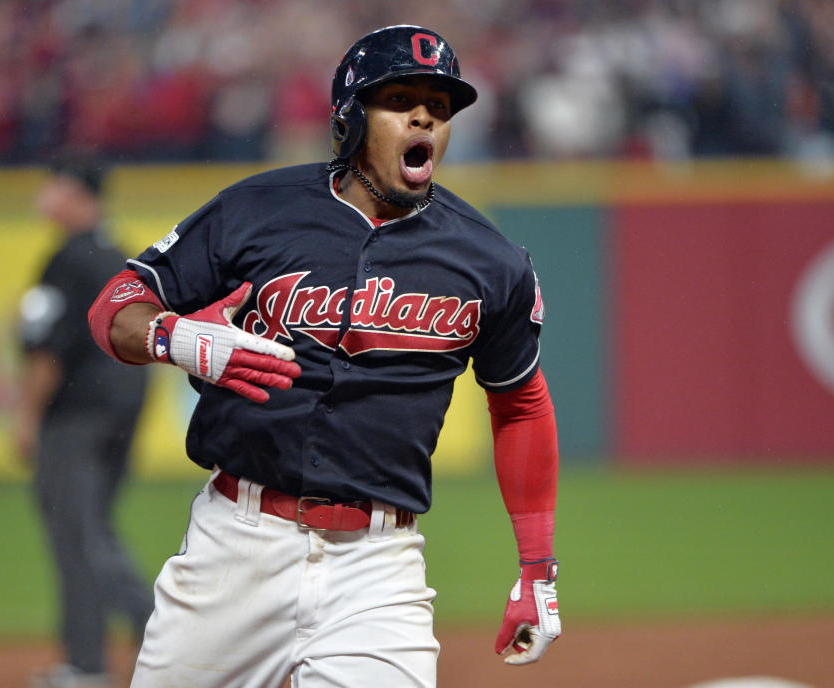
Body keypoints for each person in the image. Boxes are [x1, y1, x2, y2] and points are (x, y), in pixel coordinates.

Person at [87, 25, 560, 688]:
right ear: (349, 119)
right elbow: (116, 304)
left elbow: (521, 403)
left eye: (440, 106)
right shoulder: (255, 211)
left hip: (377, 565)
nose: (425, 115)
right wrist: (178, 338)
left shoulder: (490, 261)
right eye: (400, 98)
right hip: (235, 546)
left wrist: (538, 567)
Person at [15, 153, 154, 688]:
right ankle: (113, 644)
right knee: (92, 529)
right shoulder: (119, 256)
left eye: (52, 186)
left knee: (76, 533)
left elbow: (46, 351)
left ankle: (102, 654)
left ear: (76, 194)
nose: (44, 197)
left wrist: (26, 416)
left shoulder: (68, 258)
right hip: (123, 409)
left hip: (76, 415)